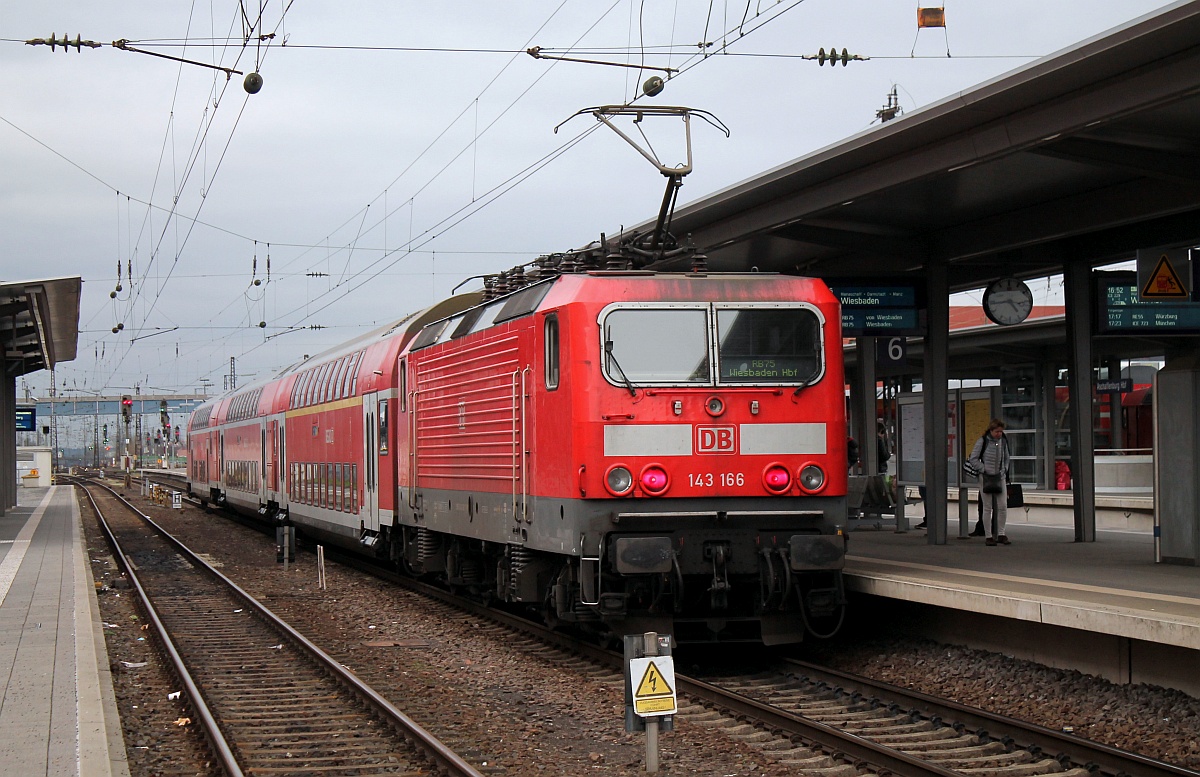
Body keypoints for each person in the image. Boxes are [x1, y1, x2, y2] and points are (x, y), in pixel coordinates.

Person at [967, 419, 1012, 546]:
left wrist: (1004, 469)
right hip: (986, 477)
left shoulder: (1003, 441)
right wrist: (983, 469)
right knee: (987, 507)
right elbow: (973, 458)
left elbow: (1007, 457)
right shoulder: (983, 441)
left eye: (1001, 431)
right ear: (991, 431)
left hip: (1000, 476)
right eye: (997, 431)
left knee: (1003, 506)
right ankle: (988, 535)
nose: (999, 434)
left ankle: (1001, 534)